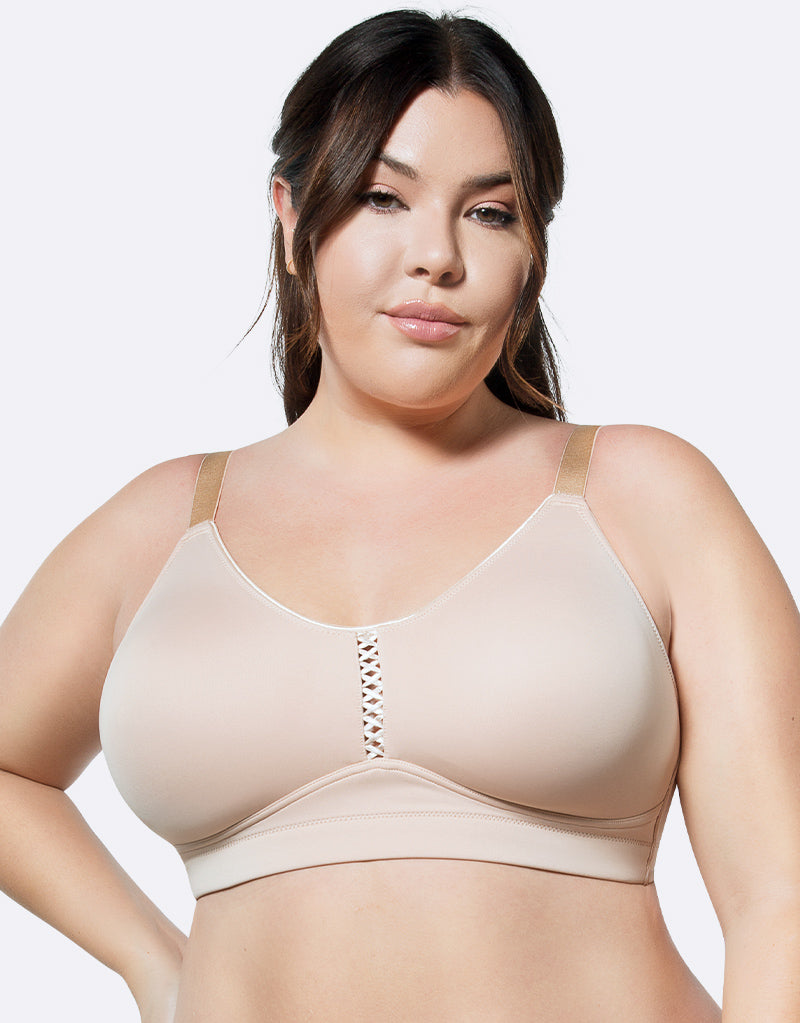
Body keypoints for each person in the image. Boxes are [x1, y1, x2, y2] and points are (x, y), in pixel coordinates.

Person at [1, 9, 798, 1021]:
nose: (436, 256)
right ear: (291, 218)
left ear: (533, 250)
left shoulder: (645, 495)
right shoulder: (160, 525)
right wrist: (154, 963)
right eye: (383, 197)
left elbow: (780, 901)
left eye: (490, 212)